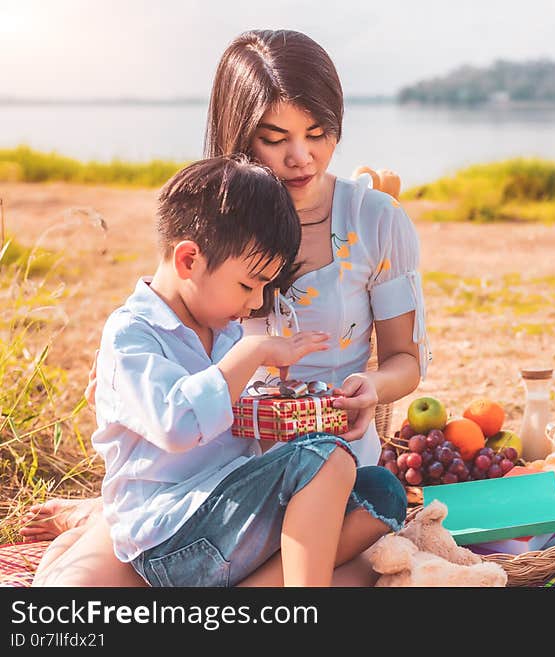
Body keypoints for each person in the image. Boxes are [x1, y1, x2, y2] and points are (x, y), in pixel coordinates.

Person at [25, 29, 428, 586]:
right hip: (202, 488)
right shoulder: (217, 215)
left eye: (319, 133)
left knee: (377, 498)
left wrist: (372, 389)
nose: (301, 156)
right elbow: (164, 325)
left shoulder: (376, 222)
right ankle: (112, 525)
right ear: (240, 137)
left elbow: (405, 358)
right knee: (67, 594)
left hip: (307, 463)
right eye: (275, 138)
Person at [42, 154, 406, 587]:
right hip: (171, 536)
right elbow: (179, 425)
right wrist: (251, 354)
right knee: (325, 461)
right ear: (188, 261)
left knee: (381, 492)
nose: (255, 304)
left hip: (225, 521)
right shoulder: (131, 336)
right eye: (248, 285)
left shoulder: (224, 334)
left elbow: (237, 431)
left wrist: (296, 411)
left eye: (264, 288)